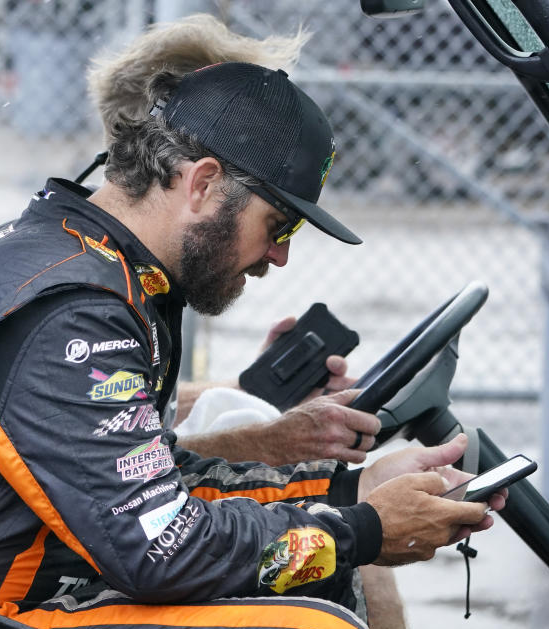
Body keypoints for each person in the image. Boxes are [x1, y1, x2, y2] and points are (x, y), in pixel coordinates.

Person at [0, 62, 504, 629]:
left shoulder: (94, 265)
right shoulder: (76, 313)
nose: (281, 255)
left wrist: (352, 488)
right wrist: (363, 529)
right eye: (280, 224)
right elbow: (161, 548)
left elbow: (163, 488)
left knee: (324, 574)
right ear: (203, 183)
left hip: (15, 599)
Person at [85, 14, 380, 468]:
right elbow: (125, 484)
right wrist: (276, 444)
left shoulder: (116, 268)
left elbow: (113, 408)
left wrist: (249, 392)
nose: (280, 255)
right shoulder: (87, 298)